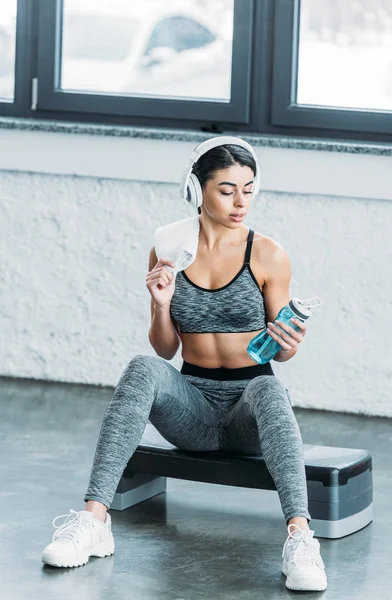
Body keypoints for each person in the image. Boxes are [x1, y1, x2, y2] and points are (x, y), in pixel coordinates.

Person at [41, 138, 327, 592]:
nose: (240, 202)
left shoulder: (268, 253)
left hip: (247, 408)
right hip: (191, 409)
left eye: (249, 190)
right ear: (196, 189)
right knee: (139, 366)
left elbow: (283, 351)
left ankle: (300, 538)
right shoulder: (168, 246)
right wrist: (160, 306)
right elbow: (163, 351)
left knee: (271, 390)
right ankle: (93, 522)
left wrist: (290, 343)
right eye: (227, 190)